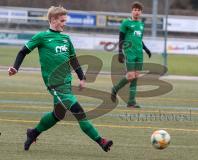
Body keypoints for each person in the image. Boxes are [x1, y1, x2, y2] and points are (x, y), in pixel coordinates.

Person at [8, 6, 113, 152]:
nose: (65, 23)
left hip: (66, 84)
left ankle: (33, 132)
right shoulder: (41, 37)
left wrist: (82, 78)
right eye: (62, 21)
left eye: (65, 20)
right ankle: (101, 141)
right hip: (54, 85)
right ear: (52, 20)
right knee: (79, 112)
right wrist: (15, 68)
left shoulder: (66, 38)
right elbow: (22, 51)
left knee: (58, 115)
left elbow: (73, 60)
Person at [111, 2, 152, 108]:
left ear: (141, 12)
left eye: (138, 10)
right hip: (129, 52)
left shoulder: (142, 25)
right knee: (130, 76)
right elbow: (121, 38)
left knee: (136, 76)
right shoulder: (126, 23)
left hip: (139, 53)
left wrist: (146, 49)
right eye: (135, 9)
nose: (136, 12)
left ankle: (131, 102)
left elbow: (139, 39)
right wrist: (120, 52)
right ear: (132, 11)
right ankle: (115, 89)